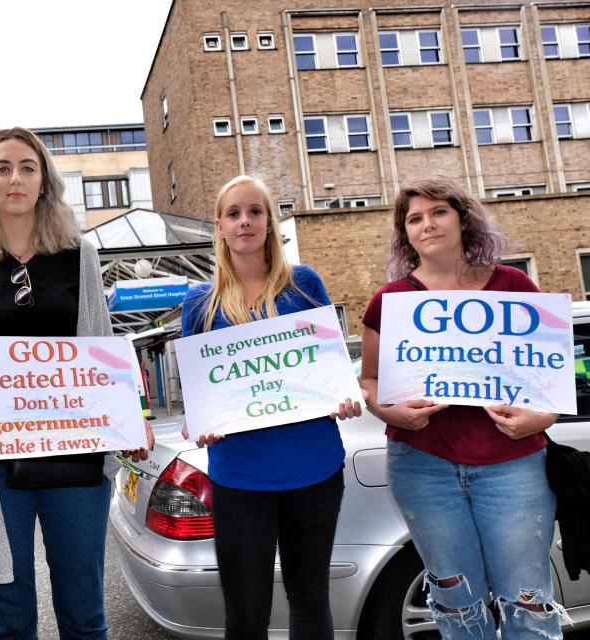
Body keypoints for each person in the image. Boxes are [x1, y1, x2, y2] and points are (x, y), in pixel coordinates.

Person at [0, 127, 152, 640]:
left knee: (85, 618)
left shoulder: (81, 256)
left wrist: (131, 416)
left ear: (45, 181)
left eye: (28, 167)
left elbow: (102, 350)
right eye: (2, 167)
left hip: (75, 462)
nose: (16, 178)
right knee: (9, 622)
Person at [359, 176, 565, 639]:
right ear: (405, 234)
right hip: (422, 467)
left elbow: (550, 382)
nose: (427, 224)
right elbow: (369, 380)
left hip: (514, 465)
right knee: (456, 603)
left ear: (462, 218)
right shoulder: (389, 301)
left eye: (438, 212)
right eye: (415, 218)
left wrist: (542, 417)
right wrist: (387, 411)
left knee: (527, 599)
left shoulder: (513, 284)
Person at [180, 175, 361, 640]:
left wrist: (340, 394)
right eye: (234, 213)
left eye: (255, 212)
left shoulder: (303, 284)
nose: (245, 222)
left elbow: (329, 363)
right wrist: (198, 423)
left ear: (269, 222)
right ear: (219, 226)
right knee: (245, 614)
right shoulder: (199, 303)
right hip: (239, 477)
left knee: (310, 601)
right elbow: (198, 392)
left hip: (315, 469)